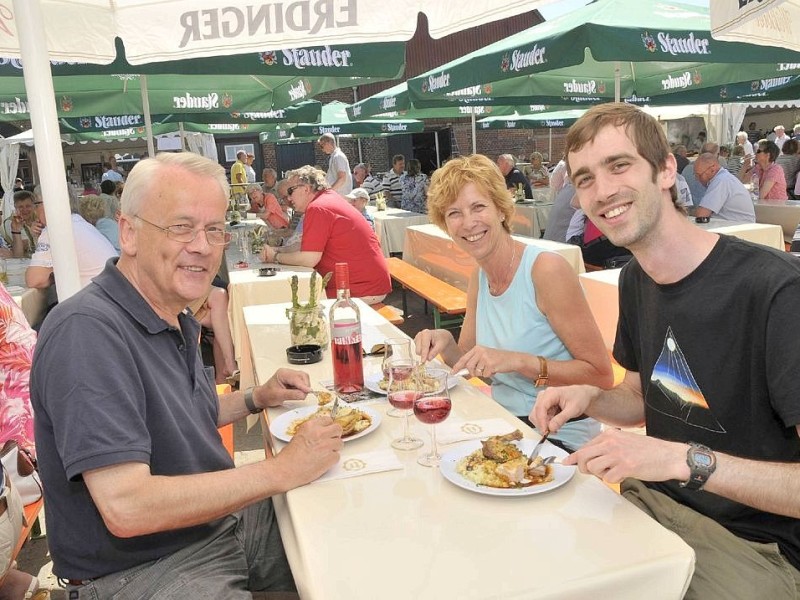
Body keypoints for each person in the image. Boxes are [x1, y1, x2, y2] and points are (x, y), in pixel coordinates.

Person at [30, 152, 344, 597]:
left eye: (214, 229)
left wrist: (256, 397)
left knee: (348, 519)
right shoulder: (86, 332)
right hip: (142, 569)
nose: (202, 245)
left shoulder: (170, 311)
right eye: (181, 226)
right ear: (129, 232)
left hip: (214, 528)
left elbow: (179, 416)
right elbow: (127, 506)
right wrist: (282, 471)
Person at [533, 102, 800, 599]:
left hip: (757, 549)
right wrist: (589, 398)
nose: (603, 190)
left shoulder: (776, 289)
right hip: (654, 510)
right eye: (584, 178)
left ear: (666, 169)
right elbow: (642, 395)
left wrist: (684, 461)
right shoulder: (637, 277)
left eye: (619, 165)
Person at [414, 154, 612, 451]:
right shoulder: (479, 277)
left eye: (478, 207)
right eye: (454, 213)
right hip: (505, 425)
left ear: (501, 210)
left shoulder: (545, 270)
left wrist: (518, 362)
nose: (468, 223)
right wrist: (445, 343)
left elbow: (601, 375)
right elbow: (468, 361)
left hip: (559, 434)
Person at [260, 165, 390, 303]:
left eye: (290, 191)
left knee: (284, 300)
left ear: (306, 188)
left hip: (361, 289)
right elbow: (304, 247)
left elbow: (309, 258)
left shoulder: (318, 208)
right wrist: (278, 250)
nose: (288, 198)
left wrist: (275, 256)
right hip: (365, 285)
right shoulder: (327, 199)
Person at [26, 186, 118, 290]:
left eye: (36, 204)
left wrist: (55, 277)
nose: (34, 210)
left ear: (48, 204)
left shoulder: (56, 228)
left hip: (96, 299)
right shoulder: (78, 222)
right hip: (110, 294)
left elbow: (34, 280)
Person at [693, 153, 755, 222]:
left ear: (713, 169)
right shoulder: (724, 177)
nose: (697, 179)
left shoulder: (721, 180)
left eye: (699, 175)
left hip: (737, 228)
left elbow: (701, 215)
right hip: (736, 226)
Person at [3, 191, 39, 256]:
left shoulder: (38, 217)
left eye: (28, 206)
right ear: (14, 208)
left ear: (34, 206)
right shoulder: (11, 222)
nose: (25, 210)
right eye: (20, 207)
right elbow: (24, 245)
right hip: (22, 262)